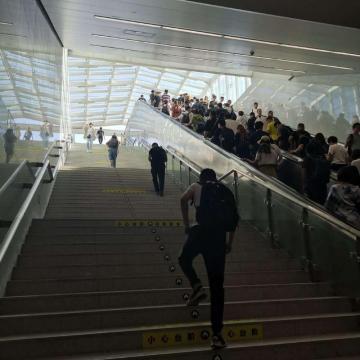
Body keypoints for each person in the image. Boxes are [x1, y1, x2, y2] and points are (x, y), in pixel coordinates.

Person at [179, 168, 238, 349]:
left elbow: (182, 199)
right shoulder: (225, 191)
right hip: (218, 239)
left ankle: (196, 286)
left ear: (201, 177)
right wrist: (229, 243)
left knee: (184, 259)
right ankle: (217, 335)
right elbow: (233, 219)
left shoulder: (197, 186)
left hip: (201, 233)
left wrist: (187, 224)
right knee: (216, 287)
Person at [304, 141, 331, 205]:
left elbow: (303, 175)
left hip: (310, 189)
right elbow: (327, 180)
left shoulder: (307, 159)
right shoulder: (325, 161)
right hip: (322, 191)